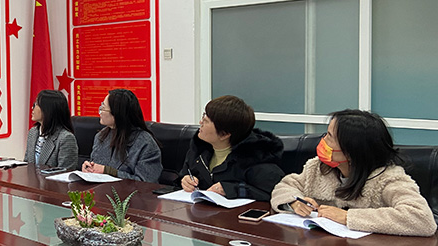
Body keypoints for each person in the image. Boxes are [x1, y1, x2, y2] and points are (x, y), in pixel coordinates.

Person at [270, 109, 437, 236]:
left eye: (329, 136)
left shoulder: (388, 178)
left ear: (351, 151)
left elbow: (422, 219)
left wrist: (347, 217)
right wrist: (293, 203)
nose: (323, 140)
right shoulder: (318, 168)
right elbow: (286, 186)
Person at [180, 95, 284, 201]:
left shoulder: (256, 158)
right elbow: (185, 173)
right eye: (203, 117)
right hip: (201, 209)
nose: (200, 123)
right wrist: (186, 181)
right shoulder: (199, 149)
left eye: (206, 121)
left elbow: (277, 193)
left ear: (224, 134)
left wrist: (233, 189)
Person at [82, 89, 161, 182]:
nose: (100, 112)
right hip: (100, 189)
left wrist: (109, 171)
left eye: (103, 108)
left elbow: (146, 183)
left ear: (117, 113)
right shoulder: (101, 136)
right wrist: (89, 169)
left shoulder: (145, 143)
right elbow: (96, 168)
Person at [24, 90, 78, 170]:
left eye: (36, 105)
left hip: (52, 179)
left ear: (47, 110)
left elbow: (65, 173)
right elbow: (26, 165)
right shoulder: (33, 132)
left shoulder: (65, 138)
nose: (32, 108)